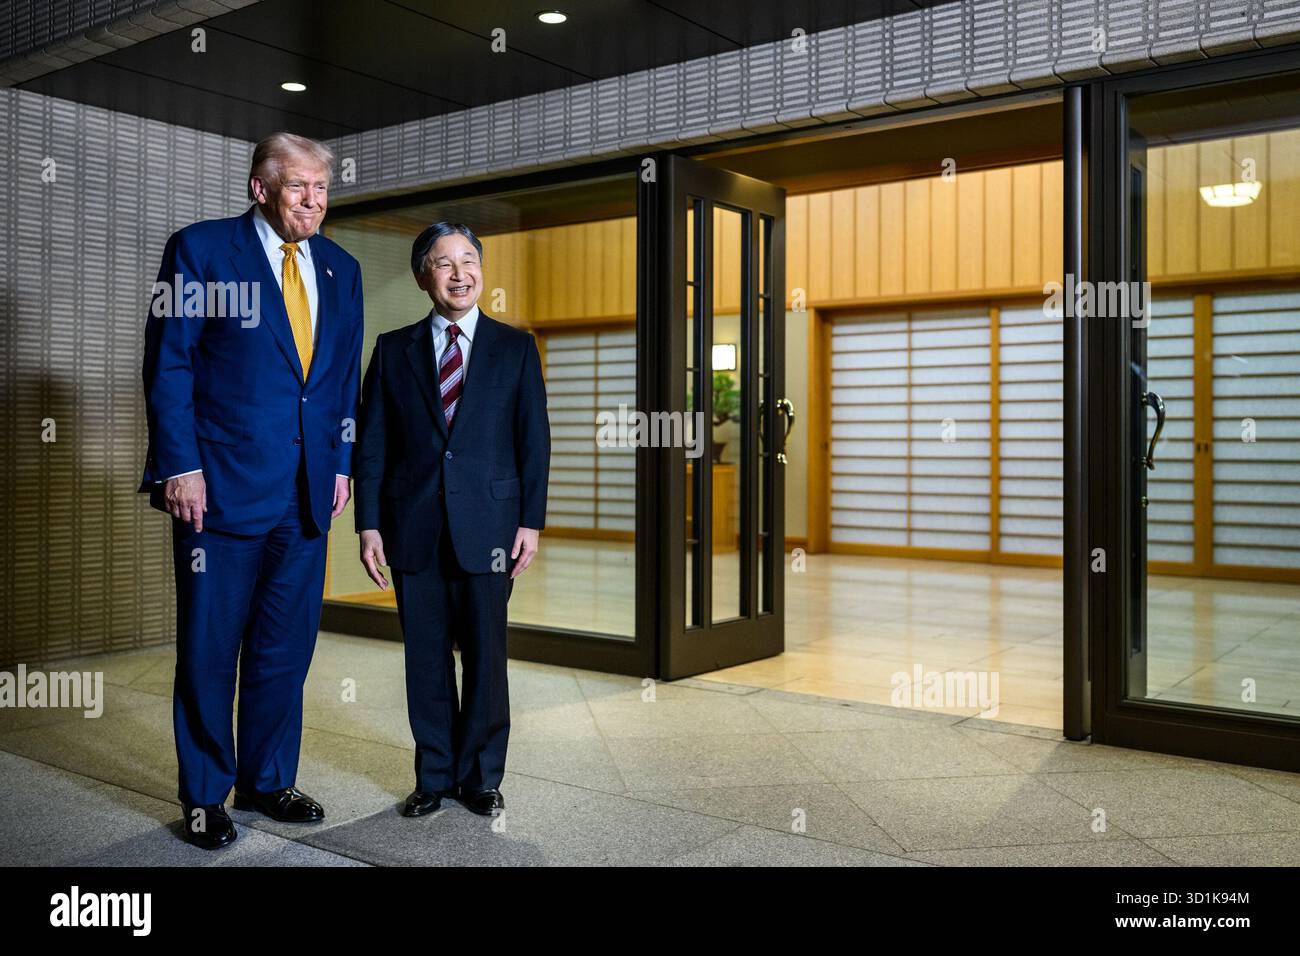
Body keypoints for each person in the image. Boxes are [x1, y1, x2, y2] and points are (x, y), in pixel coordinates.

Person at [139, 133, 364, 849]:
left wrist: (341, 463)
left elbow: (341, 379)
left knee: (284, 648)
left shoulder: (341, 268)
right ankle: (206, 795)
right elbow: (170, 362)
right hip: (219, 489)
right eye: (299, 186)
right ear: (259, 189)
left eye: (322, 188)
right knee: (210, 650)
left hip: (307, 492)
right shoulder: (202, 250)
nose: (314, 201)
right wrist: (179, 465)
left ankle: (267, 780)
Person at [353, 221, 549, 818]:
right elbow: (372, 445)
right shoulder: (393, 349)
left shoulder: (515, 348)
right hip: (412, 528)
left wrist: (530, 522)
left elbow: (533, 442)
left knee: (486, 657)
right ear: (423, 277)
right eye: (444, 263)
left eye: (469, 260)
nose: (460, 274)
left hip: (490, 528)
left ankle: (482, 777)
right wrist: (368, 525)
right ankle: (433, 776)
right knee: (425, 659)